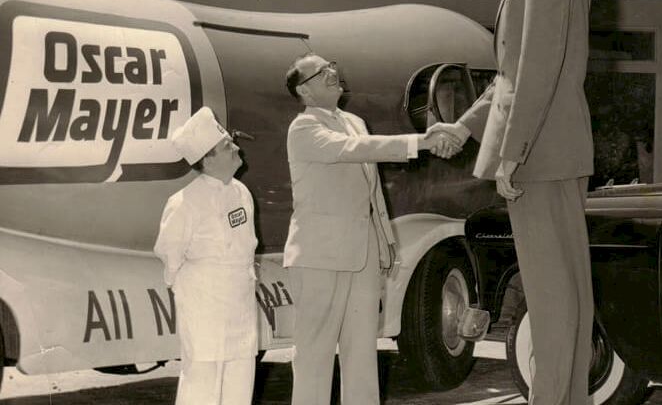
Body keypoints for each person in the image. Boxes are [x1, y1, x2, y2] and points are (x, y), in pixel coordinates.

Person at [430, 0, 594, 405]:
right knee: (564, 292)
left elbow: (537, 66)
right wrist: (467, 125)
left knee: (552, 295)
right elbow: (512, 74)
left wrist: (513, 152)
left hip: (540, 153)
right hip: (553, 148)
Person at [283, 52, 455, 405]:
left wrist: (385, 241)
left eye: (331, 66)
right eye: (322, 71)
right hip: (320, 257)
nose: (333, 72)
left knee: (362, 353)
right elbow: (353, 150)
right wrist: (420, 141)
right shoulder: (303, 128)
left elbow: (373, 192)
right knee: (314, 355)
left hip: (362, 254)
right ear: (306, 91)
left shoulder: (354, 121)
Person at [154, 107, 258, 405]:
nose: (237, 147)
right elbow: (168, 253)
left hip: (239, 304)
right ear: (208, 158)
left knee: (239, 384)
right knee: (201, 386)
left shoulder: (242, 193)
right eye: (227, 145)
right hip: (204, 308)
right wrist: (193, 288)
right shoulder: (184, 202)